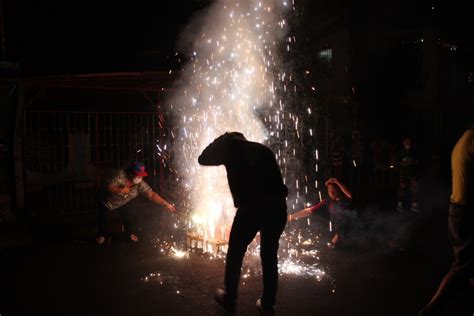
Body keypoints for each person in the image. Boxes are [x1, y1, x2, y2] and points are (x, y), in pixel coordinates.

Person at [198, 132, 288, 314]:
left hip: (252, 207)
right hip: (277, 206)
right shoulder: (263, 149)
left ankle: (230, 298)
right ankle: (267, 304)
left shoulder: (230, 150)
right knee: (269, 256)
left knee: (235, 252)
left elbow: (203, 158)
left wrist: (219, 140)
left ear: (228, 141)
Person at [419, 127, 474, 316]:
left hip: (459, 209)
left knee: (467, 263)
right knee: (463, 265)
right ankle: (432, 309)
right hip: (465, 212)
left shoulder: (465, 139)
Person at [96, 161, 176, 244]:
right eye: (138, 174)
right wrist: (121, 190)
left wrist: (165, 203)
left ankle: (130, 234)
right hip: (108, 202)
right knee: (103, 218)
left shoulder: (140, 184)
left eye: (141, 175)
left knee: (129, 216)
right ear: (131, 173)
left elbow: (151, 194)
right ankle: (102, 236)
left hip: (123, 203)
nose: (140, 177)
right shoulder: (120, 175)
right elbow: (109, 186)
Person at [288, 178, 352, 247]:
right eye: (329, 190)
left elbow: (350, 195)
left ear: (339, 189)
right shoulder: (328, 201)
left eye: (333, 189)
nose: (331, 192)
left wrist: (337, 181)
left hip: (349, 235)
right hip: (335, 234)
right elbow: (310, 210)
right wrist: (292, 216)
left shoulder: (346, 200)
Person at [396, 137, 421, 212]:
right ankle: (400, 205)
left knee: (415, 188)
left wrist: (413, 161)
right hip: (403, 173)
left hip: (412, 173)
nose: (408, 144)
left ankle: (414, 205)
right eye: (406, 142)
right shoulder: (400, 152)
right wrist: (402, 163)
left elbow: (418, 161)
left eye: (409, 143)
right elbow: (396, 161)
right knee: (402, 188)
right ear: (403, 143)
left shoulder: (414, 151)